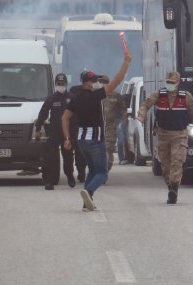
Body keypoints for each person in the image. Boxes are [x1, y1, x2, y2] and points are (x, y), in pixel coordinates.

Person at [61, 48, 131, 212]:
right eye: (93, 80)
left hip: (81, 141)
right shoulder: (97, 95)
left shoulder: (75, 99)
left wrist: (66, 138)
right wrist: (126, 62)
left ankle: (87, 203)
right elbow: (118, 80)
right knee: (102, 173)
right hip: (96, 140)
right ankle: (89, 191)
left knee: (92, 170)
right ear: (87, 82)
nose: (95, 82)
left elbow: (64, 118)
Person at [137, 71, 193, 205]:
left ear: (178, 83)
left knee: (176, 162)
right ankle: (170, 187)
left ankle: (174, 189)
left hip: (179, 135)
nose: (170, 85)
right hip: (163, 134)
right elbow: (146, 104)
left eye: (172, 83)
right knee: (166, 166)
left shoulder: (186, 97)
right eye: (168, 82)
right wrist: (141, 115)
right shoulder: (159, 94)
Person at [35, 73, 70, 190]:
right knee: (50, 158)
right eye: (59, 84)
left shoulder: (71, 98)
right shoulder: (51, 99)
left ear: (66, 84)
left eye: (63, 84)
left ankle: (70, 175)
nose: (61, 86)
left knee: (68, 157)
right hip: (54, 131)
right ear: (55, 85)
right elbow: (42, 114)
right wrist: (38, 128)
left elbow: (78, 115)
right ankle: (49, 181)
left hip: (67, 133)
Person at [100, 74, 126, 172]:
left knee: (108, 149)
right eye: (101, 82)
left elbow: (123, 109)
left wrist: (123, 122)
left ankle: (105, 170)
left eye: (105, 82)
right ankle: (100, 170)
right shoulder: (95, 94)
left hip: (110, 127)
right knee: (98, 151)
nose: (103, 84)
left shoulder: (115, 95)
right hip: (97, 127)